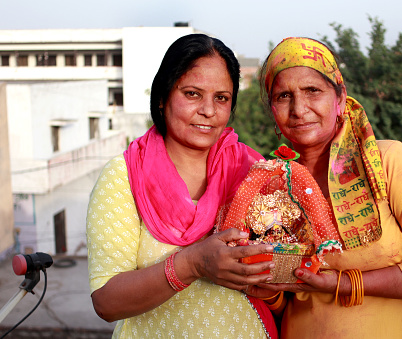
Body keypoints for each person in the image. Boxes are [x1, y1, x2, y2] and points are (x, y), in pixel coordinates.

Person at [247, 37, 402, 338]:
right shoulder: (272, 184)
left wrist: (341, 284)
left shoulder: (386, 163)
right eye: (283, 96)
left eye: (313, 90)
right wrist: (266, 286)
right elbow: (285, 301)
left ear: (339, 98)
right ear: (272, 109)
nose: (299, 108)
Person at [86, 34, 279, 338]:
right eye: (192, 94)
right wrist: (191, 264)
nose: (208, 110)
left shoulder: (252, 172)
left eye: (221, 98)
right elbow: (107, 302)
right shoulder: (125, 176)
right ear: (162, 97)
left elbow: (279, 276)